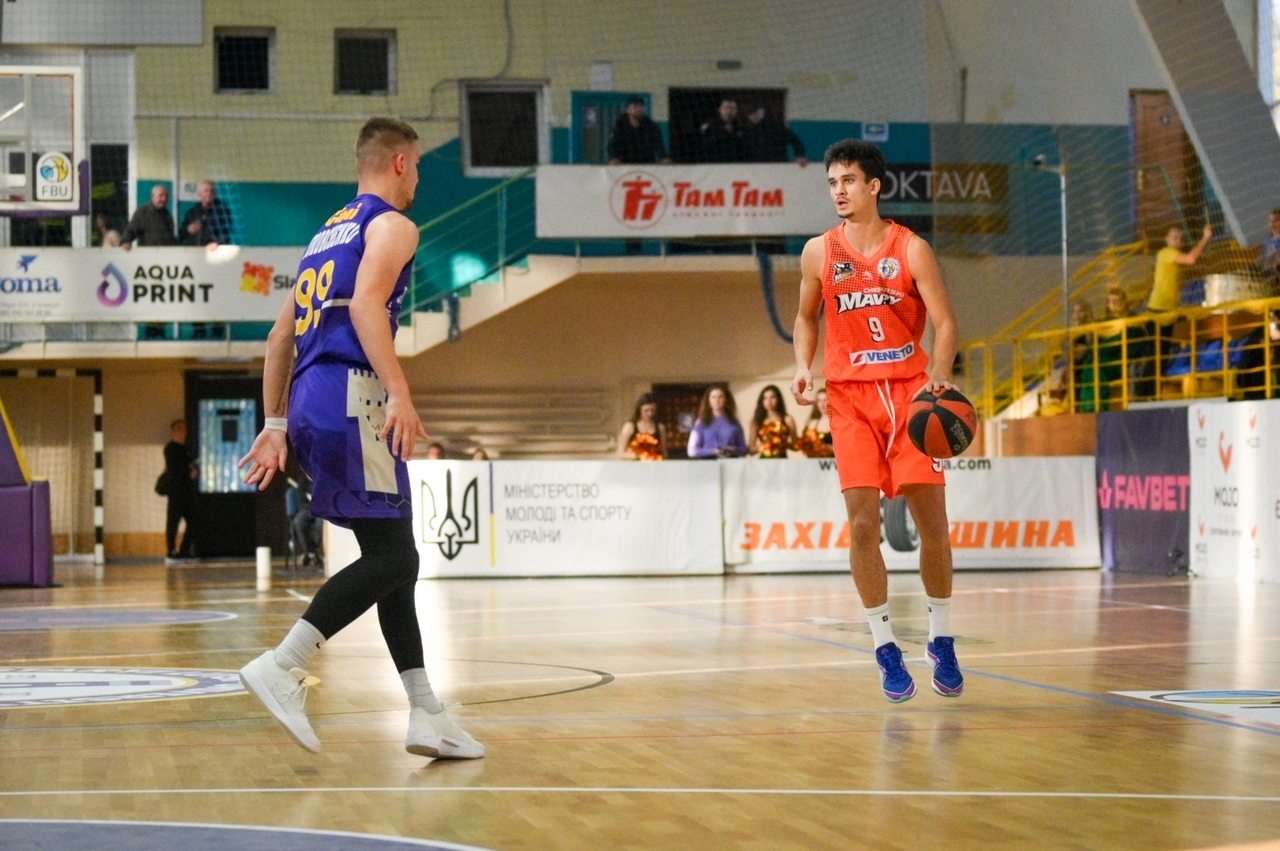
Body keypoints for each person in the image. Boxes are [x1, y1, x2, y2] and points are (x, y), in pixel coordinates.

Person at [237, 117, 483, 760]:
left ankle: (426, 713)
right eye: (419, 165)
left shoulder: (325, 235)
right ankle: (283, 664)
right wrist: (399, 391)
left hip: (313, 399)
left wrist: (275, 424)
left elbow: (279, 338)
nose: (419, 177)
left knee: (393, 555)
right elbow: (369, 306)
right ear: (400, 163)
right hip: (353, 395)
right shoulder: (392, 225)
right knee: (396, 560)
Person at [791, 139, 964, 703]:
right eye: (832, 182)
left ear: (873, 186)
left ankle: (941, 637)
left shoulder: (911, 249)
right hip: (849, 399)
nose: (838, 191)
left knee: (933, 526)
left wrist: (940, 374)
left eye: (848, 181)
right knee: (863, 526)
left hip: (911, 397)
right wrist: (802, 366)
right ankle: (885, 646)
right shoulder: (818, 252)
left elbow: (945, 322)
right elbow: (805, 318)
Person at [1146, 224, 1212, 313]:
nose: (1179, 240)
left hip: (1170, 307)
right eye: (1175, 237)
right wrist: (1205, 237)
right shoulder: (1167, 252)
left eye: (1181, 238)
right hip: (1160, 307)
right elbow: (1191, 259)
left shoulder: (1177, 258)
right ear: (1167, 238)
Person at [162, 419, 197, 561]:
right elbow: (175, 468)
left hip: (187, 491)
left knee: (194, 520)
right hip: (176, 491)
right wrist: (189, 472)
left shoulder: (187, 449)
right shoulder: (171, 448)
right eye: (180, 429)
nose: (184, 432)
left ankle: (184, 550)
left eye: (185, 429)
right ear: (174, 431)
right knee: (173, 521)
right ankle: (171, 551)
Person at [607, 96, 670, 165]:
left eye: (641, 107)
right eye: (635, 107)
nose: (638, 109)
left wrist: (664, 158)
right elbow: (613, 145)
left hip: (647, 164)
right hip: (625, 164)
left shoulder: (651, 126)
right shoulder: (620, 125)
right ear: (628, 110)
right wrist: (614, 158)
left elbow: (659, 145)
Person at [687, 385, 747, 458]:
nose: (717, 400)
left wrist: (734, 450)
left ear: (726, 399)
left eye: (720, 397)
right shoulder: (701, 423)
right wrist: (713, 451)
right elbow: (692, 451)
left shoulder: (734, 423)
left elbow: (744, 449)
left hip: (731, 460)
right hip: (709, 461)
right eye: (713, 397)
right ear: (708, 401)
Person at [743, 104, 808, 165]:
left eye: (756, 113)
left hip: (777, 164)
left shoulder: (776, 127)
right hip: (755, 166)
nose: (753, 116)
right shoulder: (747, 130)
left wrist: (800, 156)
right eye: (750, 114)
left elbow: (795, 141)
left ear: (762, 112)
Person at [748, 384, 798, 458]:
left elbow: (796, 446)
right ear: (761, 401)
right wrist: (764, 446)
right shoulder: (756, 421)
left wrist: (783, 444)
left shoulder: (787, 419)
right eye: (765, 398)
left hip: (782, 459)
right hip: (764, 460)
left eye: (772, 397)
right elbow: (751, 450)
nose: (769, 401)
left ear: (778, 399)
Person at [181, 180, 236, 247]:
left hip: (215, 250)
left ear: (215, 193)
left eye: (212, 191)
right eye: (206, 190)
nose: (209, 193)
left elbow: (227, 232)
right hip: (195, 250)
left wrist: (217, 243)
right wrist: (188, 229)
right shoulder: (192, 212)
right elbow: (182, 233)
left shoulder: (222, 212)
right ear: (199, 193)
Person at [122, 184, 177, 248]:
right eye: (160, 196)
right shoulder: (142, 213)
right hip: (147, 252)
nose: (164, 199)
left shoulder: (167, 215)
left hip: (165, 252)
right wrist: (126, 241)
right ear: (153, 197)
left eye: (166, 196)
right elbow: (131, 230)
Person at [617, 392, 667, 461]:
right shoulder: (630, 426)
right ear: (639, 410)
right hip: (635, 463)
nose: (650, 414)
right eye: (646, 411)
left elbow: (664, 452)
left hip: (655, 463)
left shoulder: (660, 427)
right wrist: (639, 456)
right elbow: (621, 453)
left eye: (652, 410)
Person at [700, 98, 745, 163]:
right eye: (726, 108)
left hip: (736, 163)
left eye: (732, 108)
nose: (729, 111)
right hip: (715, 162)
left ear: (736, 110)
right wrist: (723, 132)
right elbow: (705, 146)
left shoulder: (742, 126)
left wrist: (732, 133)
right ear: (720, 109)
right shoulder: (710, 126)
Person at [796, 386, 835, 457]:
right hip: (817, 461)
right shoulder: (812, 424)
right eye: (819, 401)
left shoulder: (839, 423)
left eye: (825, 400)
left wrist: (828, 448)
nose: (822, 404)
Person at [1259, 209, 1280, 278]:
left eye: (1276, 221)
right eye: (1270, 221)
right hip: (1266, 271)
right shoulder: (1268, 241)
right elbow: (1261, 259)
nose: (1272, 224)